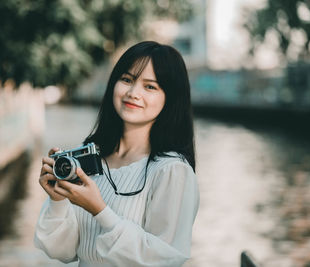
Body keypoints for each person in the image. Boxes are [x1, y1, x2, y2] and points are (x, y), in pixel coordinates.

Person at [35, 41, 199, 267]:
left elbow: (165, 260)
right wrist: (58, 199)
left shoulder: (172, 170)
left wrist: (99, 210)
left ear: (169, 99)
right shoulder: (91, 158)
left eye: (150, 87)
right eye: (127, 80)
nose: (133, 93)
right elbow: (63, 251)